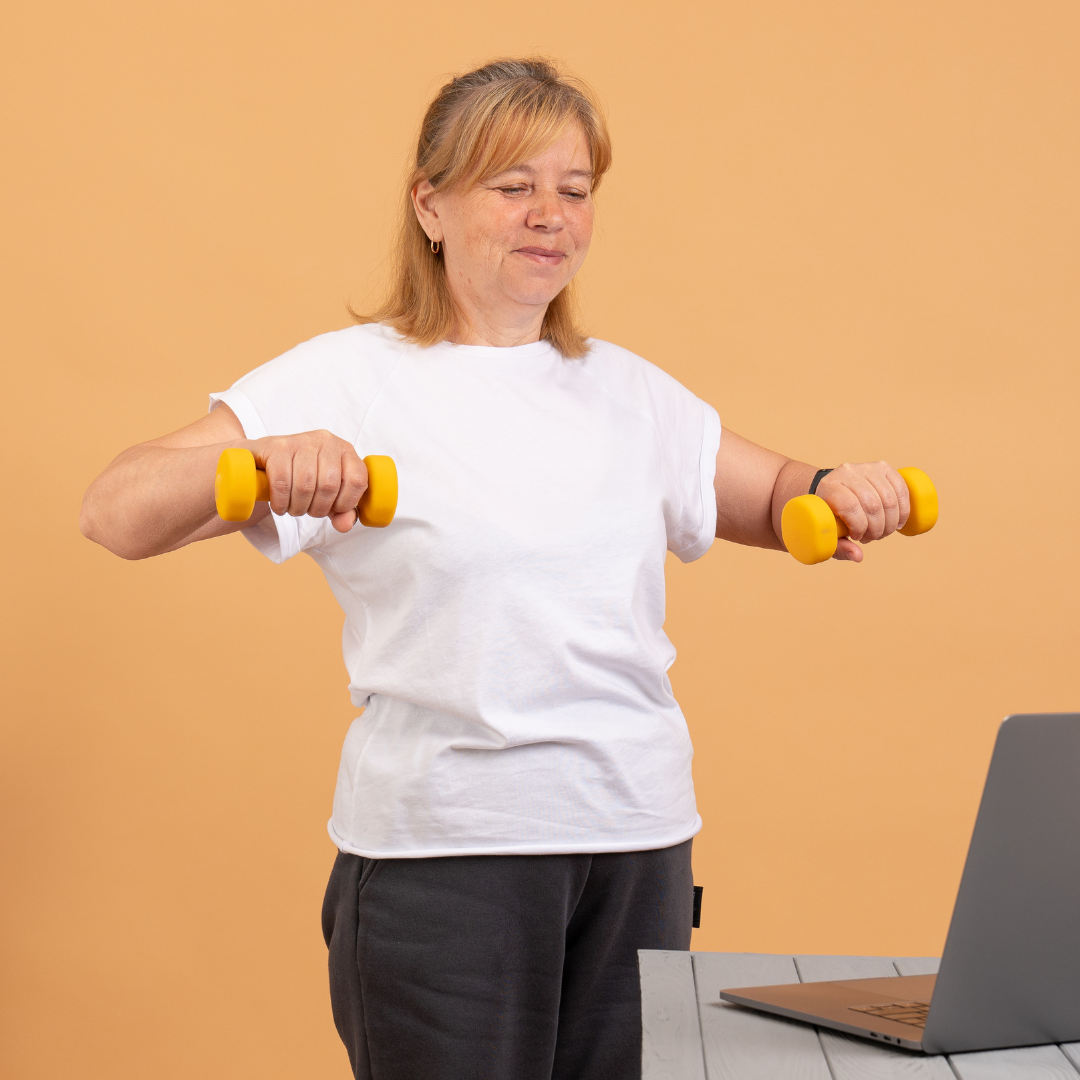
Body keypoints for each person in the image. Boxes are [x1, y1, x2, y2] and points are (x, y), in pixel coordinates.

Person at [81, 58, 912, 1080]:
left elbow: (780, 492)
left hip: (638, 841)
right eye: (512, 186)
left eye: (574, 190)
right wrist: (251, 467)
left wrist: (838, 485)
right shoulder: (352, 377)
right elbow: (114, 511)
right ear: (430, 204)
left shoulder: (625, 391)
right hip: (447, 859)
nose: (547, 215)